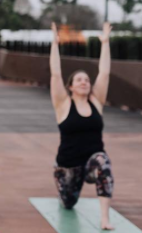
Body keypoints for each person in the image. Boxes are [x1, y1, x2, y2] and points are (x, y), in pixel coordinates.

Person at [50, 22, 114, 230]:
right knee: (68, 203)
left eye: (86, 79)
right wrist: (55, 44)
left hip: (91, 162)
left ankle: (105, 218)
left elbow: (104, 73)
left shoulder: (96, 102)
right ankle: (64, 190)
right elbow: (56, 74)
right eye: (79, 80)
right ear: (71, 86)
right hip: (68, 166)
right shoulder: (63, 104)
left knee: (103, 163)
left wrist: (105, 43)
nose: (84, 82)